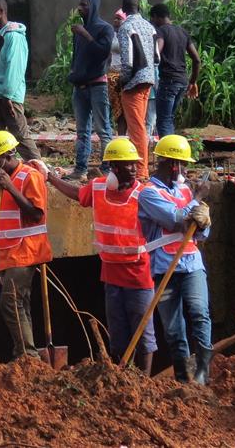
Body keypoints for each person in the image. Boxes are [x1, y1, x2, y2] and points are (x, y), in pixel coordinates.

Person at [46, 138, 157, 371]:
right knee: (117, 333)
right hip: (111, 275)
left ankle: (144, 382)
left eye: (135, 165)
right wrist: (51, 178)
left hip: (138, 276)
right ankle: (121, 376)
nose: (134, 169)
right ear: (114, 167)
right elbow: (79, 195)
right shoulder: (98, 188)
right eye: (128, 165)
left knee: (143, 333)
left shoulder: (144, 194)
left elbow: (169, 215)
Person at [137, 135, 212, 382]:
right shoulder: (148, 194)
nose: (186, 169)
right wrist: (197, 199)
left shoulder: (183, 190)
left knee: (199, 312)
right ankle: (183, 375)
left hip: (191, 264)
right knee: (173, 328)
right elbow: (176, 219)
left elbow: (199, 230)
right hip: (164, 268)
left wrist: (203, 221)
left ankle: (202, 370)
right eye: (184, 164)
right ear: (173, 165)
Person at [0, 130, 50, 359]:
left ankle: (27, 355)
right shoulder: (6, 181)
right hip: (9, 253)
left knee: (10, 301)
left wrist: (10, 187)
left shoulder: (29, 177)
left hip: (26, 251)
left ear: (9, 153)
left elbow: (36, 214)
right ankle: (25, 352)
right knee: (20, 303)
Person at [0, 0, 41, 162]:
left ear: (1, 12)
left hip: (8, 97)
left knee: (20, 137)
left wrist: (7, 95)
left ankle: (40, 171)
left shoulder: (13, 36)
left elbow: (14, 68)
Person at [68, 0, 115, 180]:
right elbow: (77, 56)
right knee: (82, 131)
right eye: (79, 4)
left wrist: (85, 34)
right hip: (79, 87)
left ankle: (106, 168)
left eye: (85, 5)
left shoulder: (105, 28)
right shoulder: (80, 30)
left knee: (103, 129)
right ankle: (80, 169)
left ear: (94, 6)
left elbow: (102, 52)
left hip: (97, 86)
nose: (80, 8)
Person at [116, 0, 157, 179]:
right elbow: (156, 58)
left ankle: (141, 171)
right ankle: (140, 167)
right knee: (140, 125)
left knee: (136, 128)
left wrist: (121, 81)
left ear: (123, 10)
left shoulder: (125, 27)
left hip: (133, 83)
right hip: (148, 80)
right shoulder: (149, 26)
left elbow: (128, 61)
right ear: (139, 8)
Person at [150, 4, 200, 137]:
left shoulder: (161, 31)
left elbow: (157, 52)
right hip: (182, 81)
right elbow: (197, 59)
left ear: (156, 17)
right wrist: (193, 81)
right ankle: (173, 153)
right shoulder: (182, 32)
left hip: (168, 81)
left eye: (152, 19)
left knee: (163, 121)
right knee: (169, 118)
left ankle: (168, 155)